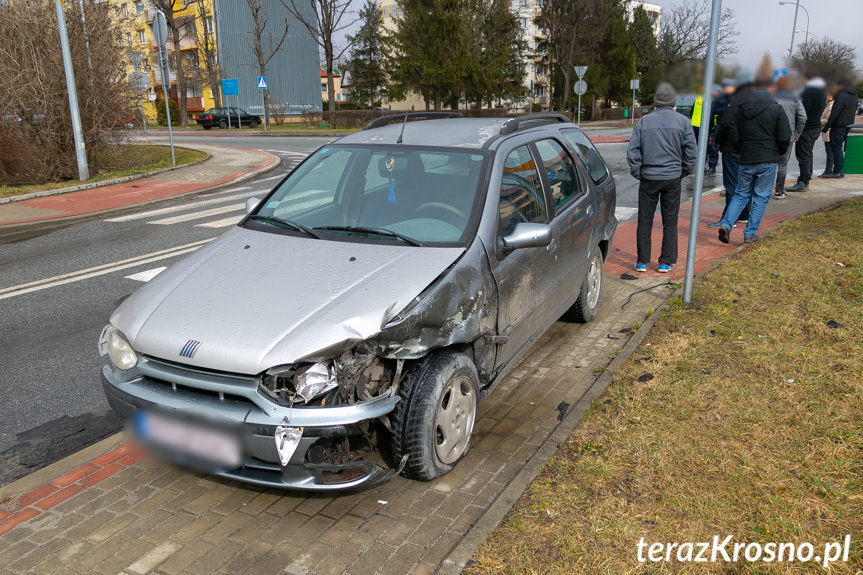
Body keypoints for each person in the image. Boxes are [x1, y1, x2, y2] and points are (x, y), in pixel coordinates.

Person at [717, 56, 792, 244]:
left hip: (746, 158)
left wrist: (741, 148)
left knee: (741, 194)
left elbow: (734, 132)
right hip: (767, 159)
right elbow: (785, 136)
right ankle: (750, 233)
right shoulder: (776, 109)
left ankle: (727, 224)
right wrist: (779, 151)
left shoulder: (741, 109)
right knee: (760, 197)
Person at [627, 82, 697, 273]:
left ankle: (642, 261)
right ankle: (665, 262)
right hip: (672, 177)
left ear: (656, 102)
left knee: (645, 219)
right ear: (673, 102)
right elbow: (691, 152)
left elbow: (633, 150)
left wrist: (638, 171)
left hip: (649, 177)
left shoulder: (644, 121)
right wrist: (684, 171)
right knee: (670, 221)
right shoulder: (683, 122)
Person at [708, 69, 755, 228]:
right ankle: (743, 214)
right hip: (749, 148)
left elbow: (726, 123)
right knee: (745, 182)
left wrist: (718, 140)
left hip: (731, 146)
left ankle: (729, 218)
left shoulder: (735, 100)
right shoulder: (755, 98)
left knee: (731, 184)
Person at [787, 74, 826, 192]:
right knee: (808, 154)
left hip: (807, 128)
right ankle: (806, 177)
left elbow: (803, 112)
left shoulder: (808, 91)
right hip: (815, 126)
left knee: (803, 155)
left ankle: (803, 181)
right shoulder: (821, 92)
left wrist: (797, 129)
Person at [771, 75, 807, 198]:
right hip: (788, 135)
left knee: (768, 162)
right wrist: (797, 133)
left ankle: (763, 189)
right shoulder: (795, 99)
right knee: (782, 164)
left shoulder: (771, 98)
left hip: (770, 135)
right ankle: (779, 190)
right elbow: (803, 118)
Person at [821, 78, 859, 178]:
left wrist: (827, 127)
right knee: (841, 148)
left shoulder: (841, 95)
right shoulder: (854, 95)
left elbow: (835, 112)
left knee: (836, 148)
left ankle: (837, 171)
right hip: (849, 125)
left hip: (838, 125)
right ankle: (840, 170)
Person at [819, 91, 835, 177]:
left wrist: (818, 121)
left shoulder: (831, 105)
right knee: (829, 151)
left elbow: (827, 119)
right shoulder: (828, 104)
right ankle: (828, 170)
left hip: (828, 130)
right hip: (826, 131)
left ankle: (828, 170)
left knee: (830, 152)